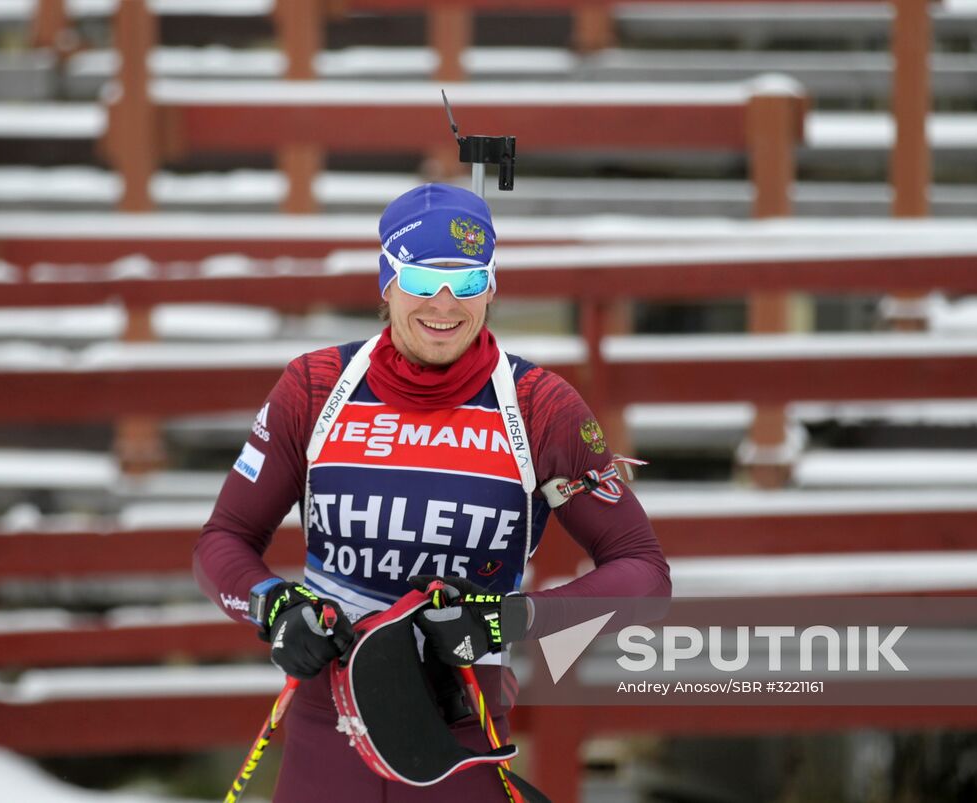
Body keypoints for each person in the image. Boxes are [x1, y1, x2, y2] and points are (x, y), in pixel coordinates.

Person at [194, 183, 671, 801]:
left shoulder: (539, 407)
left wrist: (506, 620)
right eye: (421, 282)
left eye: (468, 283)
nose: (445, 306)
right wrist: (275, 607)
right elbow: (223, 541)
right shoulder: (316, 386)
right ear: (387, 280)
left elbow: (644, 577)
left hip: (461, 729)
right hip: (327, 727)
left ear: (492, 286)